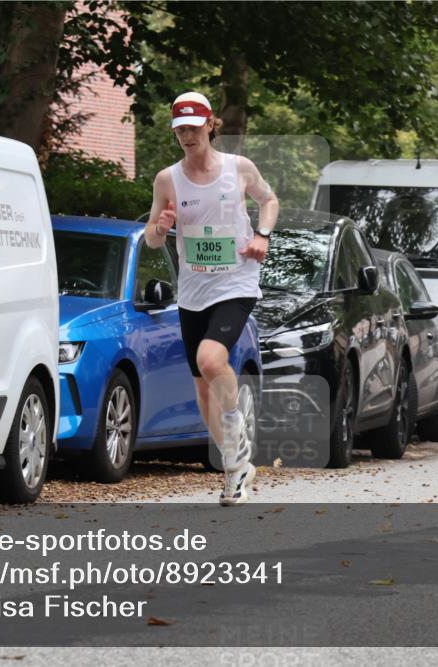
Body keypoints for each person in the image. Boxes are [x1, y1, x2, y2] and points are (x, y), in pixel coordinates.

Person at [144, 91, 279, 506]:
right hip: (193, 292)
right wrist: (162, 226)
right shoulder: (168, 179)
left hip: (236, 283)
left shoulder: (238, 168)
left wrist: (262, 235)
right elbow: (151, 240)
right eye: (180, 129)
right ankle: (234, 466)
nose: (186, 135)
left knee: (210, 359)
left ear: (210, 125)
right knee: (202, 389)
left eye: (193, 127)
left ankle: (235, 422)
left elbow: (269, 201)